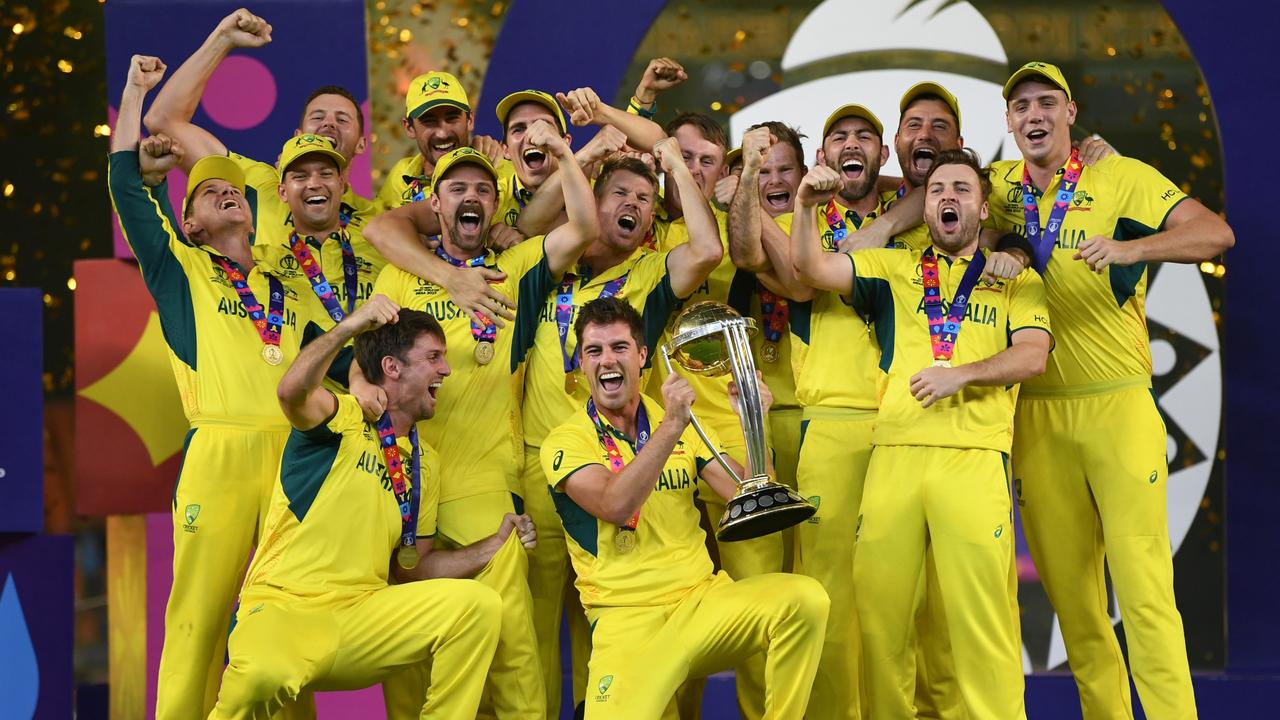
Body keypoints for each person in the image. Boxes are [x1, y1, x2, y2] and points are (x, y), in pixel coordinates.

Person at [988, 61, 1235, 720]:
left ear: (1072, 113)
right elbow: (916, 192)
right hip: (1035, 418)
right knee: (1077, 609)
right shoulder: (996, 188)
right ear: (1008, 122)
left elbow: (1216, 233)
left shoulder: (1120, 175)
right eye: (1020, 107)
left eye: (1047, 103)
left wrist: (1134, 251)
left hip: (1119, 406)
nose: (1033, 116)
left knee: (1147, 594)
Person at [795, 147, 1053, 718]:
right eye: (937, 190)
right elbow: (814, 270)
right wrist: (805, 208)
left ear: (983, 211)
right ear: (925, 206)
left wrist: (959, 375)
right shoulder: (893, 270)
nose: (947, 198)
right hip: (894, 457)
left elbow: (1032, 357)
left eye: (961, 189)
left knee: (982, 625)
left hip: (974, 457)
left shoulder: (1015, 279)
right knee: (882, 621)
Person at [107, 54, 322, 720]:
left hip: (295, 463)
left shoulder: (290, 290)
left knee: (286, 622)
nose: (226, 192)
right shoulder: (181, 272)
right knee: (198, 621)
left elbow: (340, 367)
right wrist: (136, 93)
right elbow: (124, 185)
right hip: (220, 457)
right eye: (207, 192)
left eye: (234, 189)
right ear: (191, 224)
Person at [366, 123, 598, 719]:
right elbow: (364, 372)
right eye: (456, 188)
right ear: (434, 203)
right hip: (405, 482)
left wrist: (567, 152)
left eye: (483, 189)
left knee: (513, 639)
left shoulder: (518, 264)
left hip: (486, 480)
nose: (470, 196)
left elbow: (586, 228)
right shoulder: (401, 274)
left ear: (496, 205)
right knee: (410, 643)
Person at [209, 298, 506, 717]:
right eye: (433, 357)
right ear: (392, 367)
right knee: (260, 679)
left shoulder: (425, 464)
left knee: (478, 606)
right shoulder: (342, 417)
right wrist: (350, 327)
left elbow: (412, 569)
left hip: (362, 615)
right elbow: (291, 392)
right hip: (284, 607)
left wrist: (491, 546)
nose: (446, 370)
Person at [540, 297, 830, 719]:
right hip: (628, 621)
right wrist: (672, 425)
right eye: (594, 351)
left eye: (620, 348)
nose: (607, 361)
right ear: (582, 365)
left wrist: (753, 416)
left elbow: (744, 492)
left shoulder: (680, 423)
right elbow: (615, 504)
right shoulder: (567, 440)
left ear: (641, 356)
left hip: (700, 604)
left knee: (805, 600)